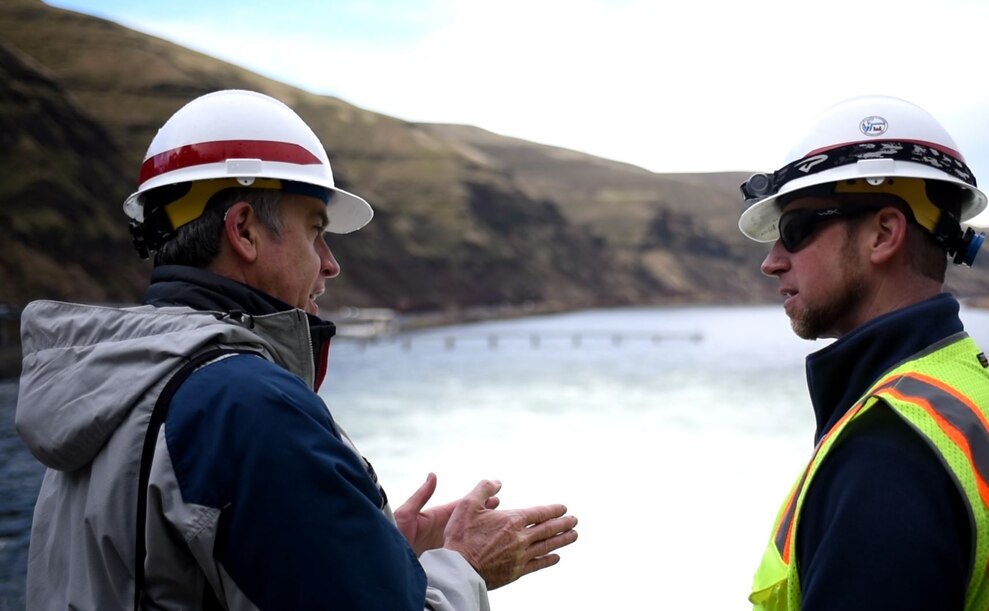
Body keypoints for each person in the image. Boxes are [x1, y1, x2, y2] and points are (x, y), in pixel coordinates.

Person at [15, 89, 578, 610]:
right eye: (315, 230)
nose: (330, 263)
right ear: (245, 231)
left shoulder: (104, 388)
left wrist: (375, 552)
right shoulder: (246, 403)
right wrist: (466, 567)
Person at [736, 95, 989, 610]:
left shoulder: (886, 454)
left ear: (883, 233)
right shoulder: (961, 381)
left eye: (795, 231)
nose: (772, 262)